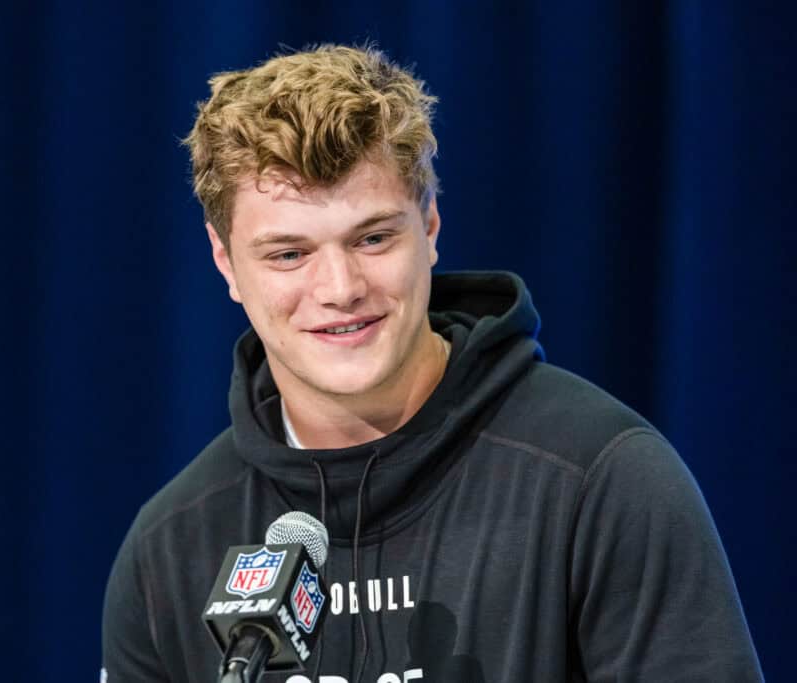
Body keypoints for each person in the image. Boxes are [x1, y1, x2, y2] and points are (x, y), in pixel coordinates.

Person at [101, 45, 762, 682]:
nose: (340, 287)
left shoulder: (600, 481)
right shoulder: (170, 547)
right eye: (288, 254)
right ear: (226, 264)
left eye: (374, 237)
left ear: (432, 226)